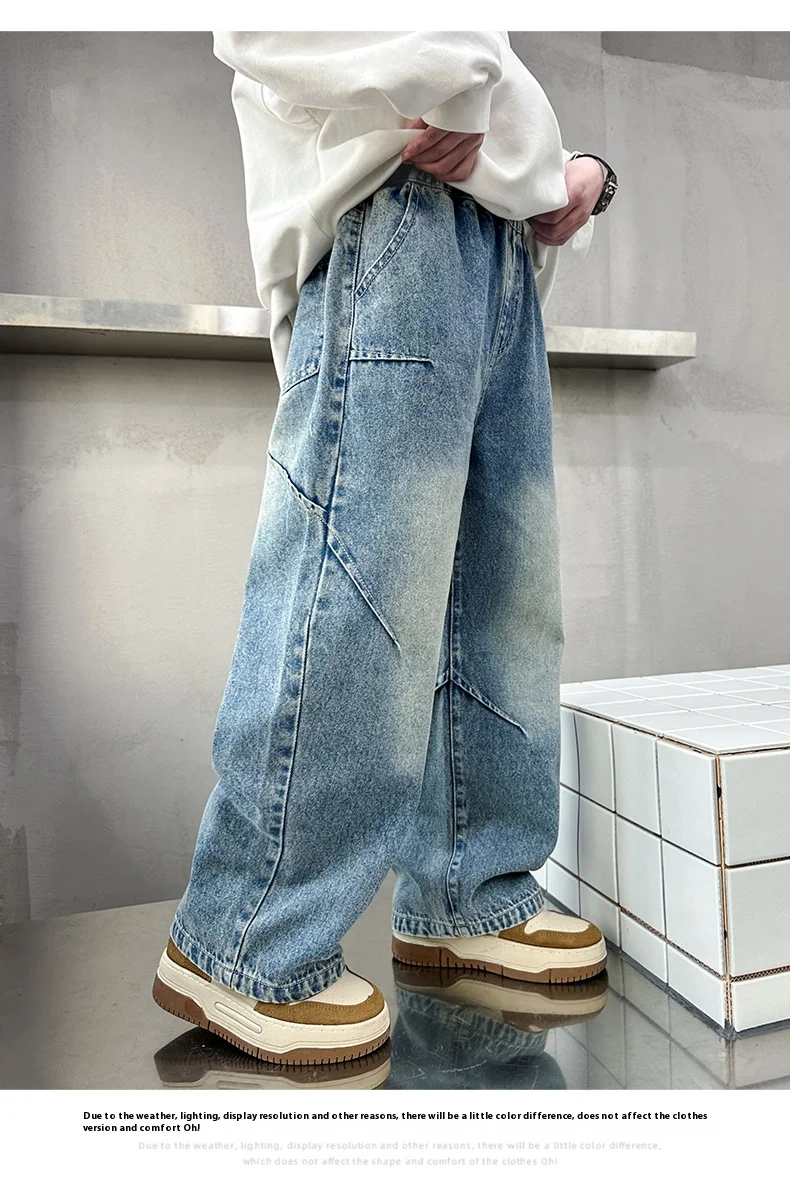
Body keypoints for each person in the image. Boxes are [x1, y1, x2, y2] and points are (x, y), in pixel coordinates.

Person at [152, 31, 618, 1066]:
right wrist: (456, 84)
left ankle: (469, 892)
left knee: (501, 600)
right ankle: (244, 939)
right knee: (362, 591)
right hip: (394, 219)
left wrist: (567, 173)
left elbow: (485, 73)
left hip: (500, 248)